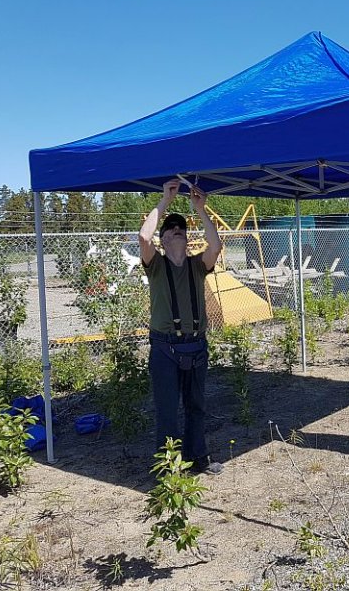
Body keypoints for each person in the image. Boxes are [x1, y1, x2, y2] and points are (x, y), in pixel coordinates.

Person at [138, 179, 224, 475]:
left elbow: (216, 245)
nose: (177, 229)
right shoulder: (156, 265)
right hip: (165, 348)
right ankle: (169, 467)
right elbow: (143, 237)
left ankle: (198, 459)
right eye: (171, 227)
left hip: (197, 346)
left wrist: (200, 210)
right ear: (163, 238)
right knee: (166, 413)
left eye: (181, 227)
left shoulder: (198, 264)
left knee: (196, 407)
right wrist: (164, 202)